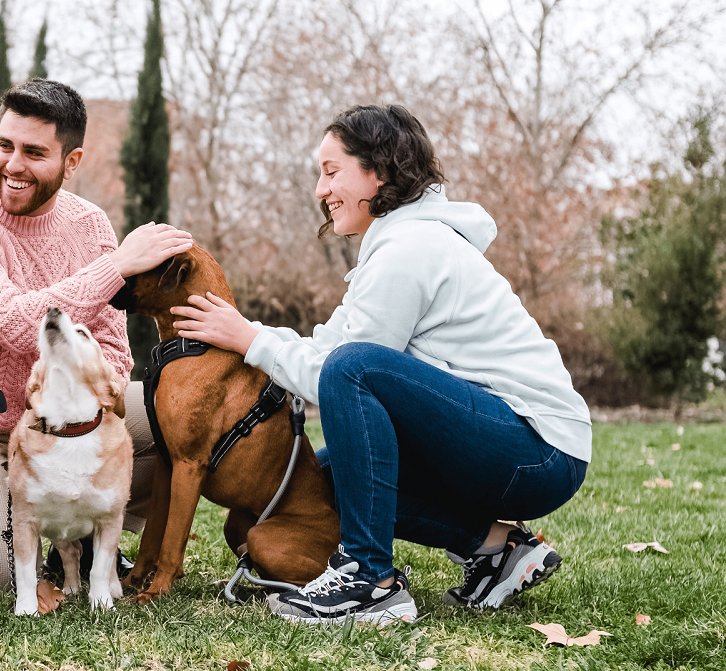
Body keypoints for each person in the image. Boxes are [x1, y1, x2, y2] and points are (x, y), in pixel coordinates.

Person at [170, 104, 591, 625]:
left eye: (331, 172)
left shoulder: (409, 248)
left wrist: (251, 339)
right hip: (507, 443)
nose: (320, 190)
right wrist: (249, 335)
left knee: (354, 369)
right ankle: (498, 551)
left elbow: (341, 374)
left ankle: (371, 582)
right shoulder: (395, 244)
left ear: (380, 171)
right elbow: (330, 349)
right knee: (320, 482)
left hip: (538, 450)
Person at [0, 78, 194, 589]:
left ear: (72, 161)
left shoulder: (89, 225)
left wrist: (76, 420)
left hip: (56, 423)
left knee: (180, 417)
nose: (13, 165)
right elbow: (14, 323)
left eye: (34, 152)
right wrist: (118, 267)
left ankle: (91, 532)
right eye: (4, 145)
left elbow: (113, 351)